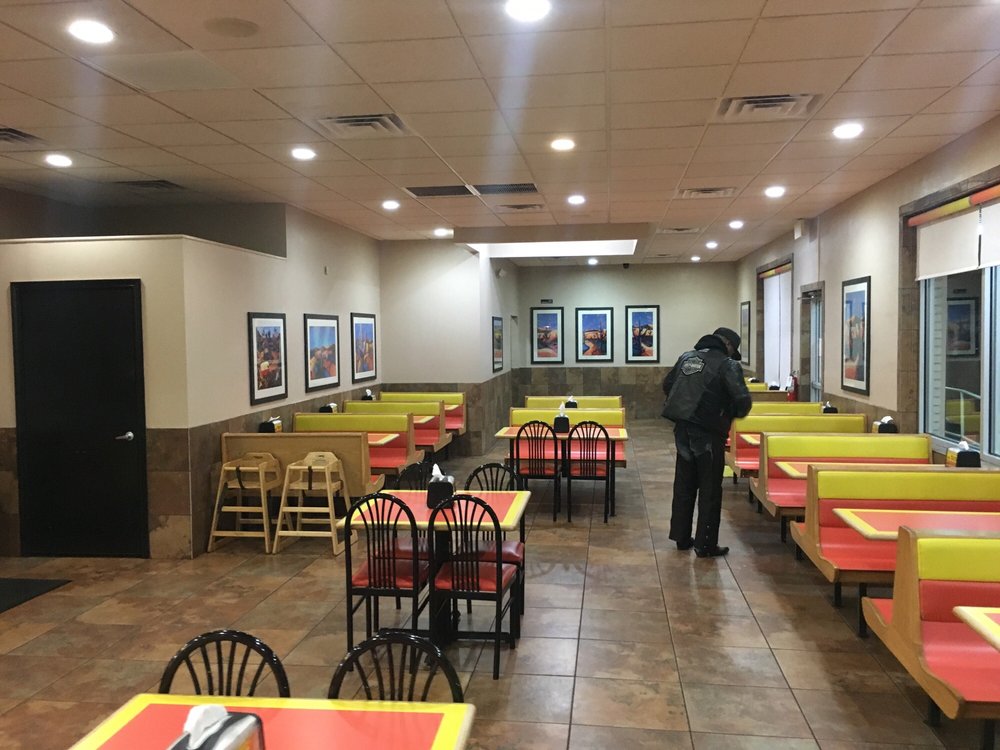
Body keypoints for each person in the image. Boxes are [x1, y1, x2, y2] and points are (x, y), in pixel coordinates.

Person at [662, 327, 752, 558]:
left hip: (682, 430)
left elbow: (667, 385)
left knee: (684, 485)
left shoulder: (687, 358)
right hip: (709, 435)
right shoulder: (727, 365)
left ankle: (681, 537)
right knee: (710, 489)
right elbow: (743, 402)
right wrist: (725, 413)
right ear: (728, 345)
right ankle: (705, 544)